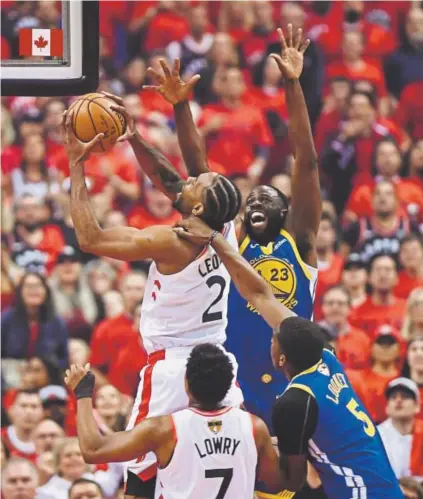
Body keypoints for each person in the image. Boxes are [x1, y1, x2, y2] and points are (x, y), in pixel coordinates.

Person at [63, 84, 243, 498]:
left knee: (140, 478)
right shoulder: (227, 227)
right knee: (213, 468)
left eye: (198, 183)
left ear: (197, 207)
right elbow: (172, 182)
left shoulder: (170, 242)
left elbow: (91, 239)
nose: (191, 179)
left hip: (173, 369)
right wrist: (134, 137)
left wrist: (76, 165)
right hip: (219, 363)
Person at [141, 25, 321, 430]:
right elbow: (197, 175)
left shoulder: (301, 242)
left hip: (290, 383)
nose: (255, 201)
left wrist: (293, 85)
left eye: (266, 198)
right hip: (230, 384)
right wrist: (181, 107)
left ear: (287, 210)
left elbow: (305, 161)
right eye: (248, 201)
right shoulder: (229, 238)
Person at [174, 214, 403, 497]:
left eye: (273, 340)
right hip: (383, 485)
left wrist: (246, 441)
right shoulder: (326, 360)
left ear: (281, 358)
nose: (269, 340)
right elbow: (261, 295)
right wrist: (217, 240)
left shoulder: (295, 401)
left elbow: (290, 481)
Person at [65, 344, 281, 499]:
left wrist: (83, 394)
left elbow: (93, 449)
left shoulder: (165, 429)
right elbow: (275, 483)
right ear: (229, 386)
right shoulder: (254, 427)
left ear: (186, 384)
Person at [378, 378, 422, 479]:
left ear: (417, 406)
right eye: (393, 397)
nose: (398, 400)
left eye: (405, 397)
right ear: (387, 407)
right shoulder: (376, 436)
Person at [1, 390, 43, 463]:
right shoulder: (1, 437)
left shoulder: (51, 438)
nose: (29, 412)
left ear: (42, 411)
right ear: (10, 410)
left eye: (34, 406)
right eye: (23, 406)